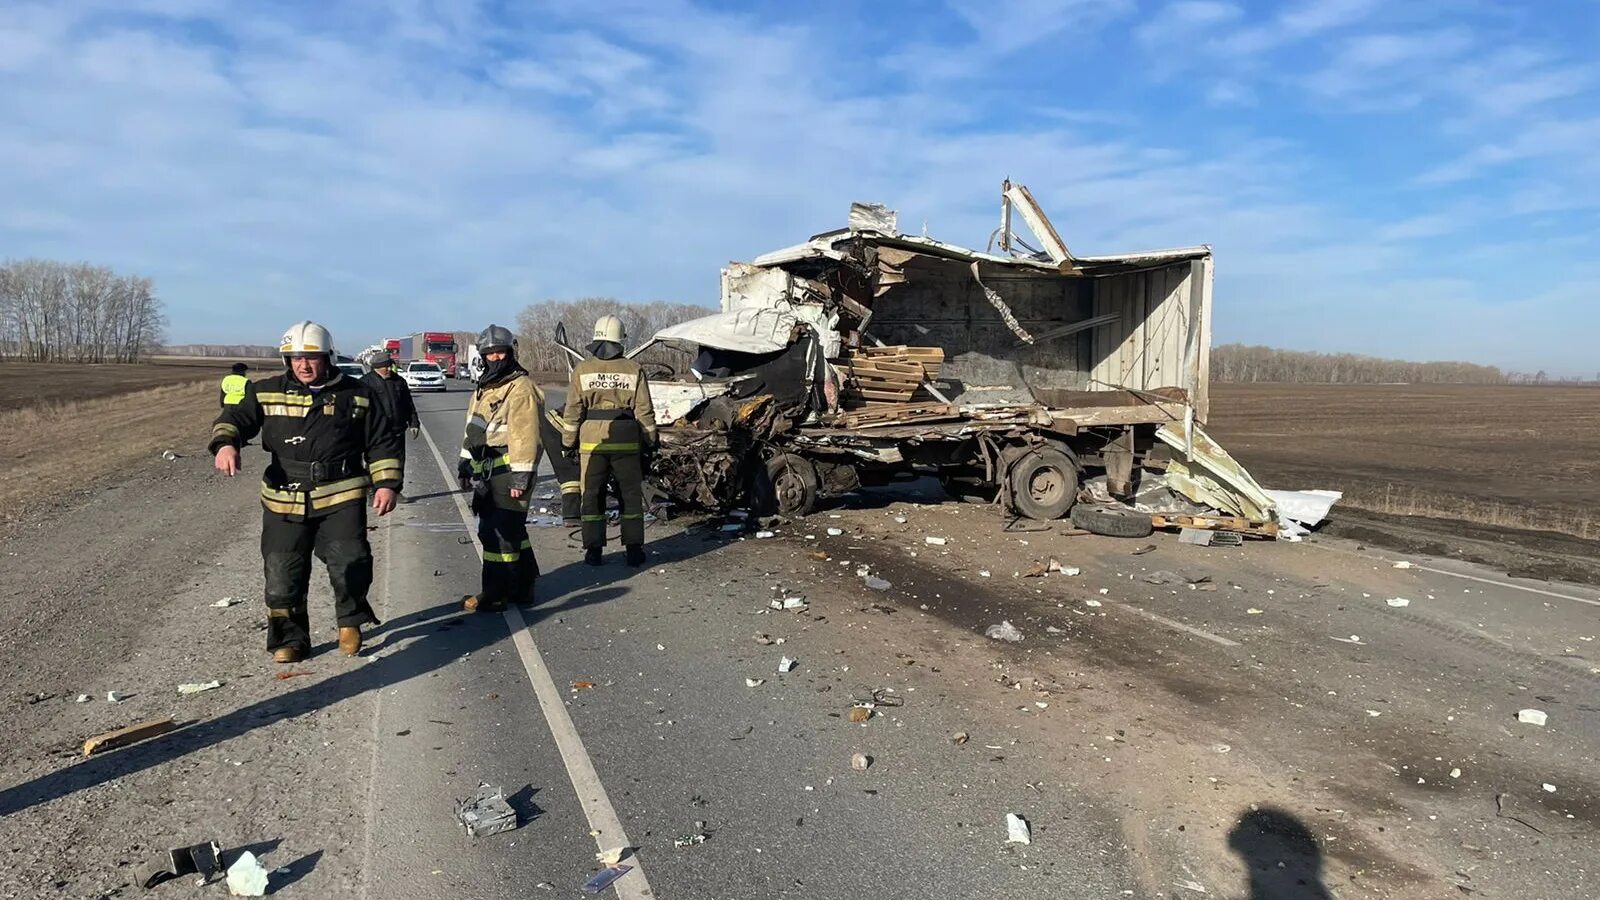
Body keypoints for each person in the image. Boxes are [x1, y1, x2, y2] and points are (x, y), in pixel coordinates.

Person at [209, 321, 402, 663]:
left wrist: (386, 483)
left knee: (350, 562)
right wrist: (226, 444)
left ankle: (350, 621)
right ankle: (290, 640)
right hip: (284, 495)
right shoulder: (264, 391)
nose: (303, 365)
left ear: (327, 357)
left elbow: (382, 441)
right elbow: (233, 419)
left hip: (341, 493)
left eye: (311, 357)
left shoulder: (359, 394)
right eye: (295, 357)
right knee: (283, 571)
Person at [458, 324, 543, 612]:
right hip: (488, 471)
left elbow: (525, 435)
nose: (495, 358)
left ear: (510, 352)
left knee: (497, 534)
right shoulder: (485, 387)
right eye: (490, 353)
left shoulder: (520, 388)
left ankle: (495, 593)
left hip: (509, 473)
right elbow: (475, 429)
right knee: (512, 531)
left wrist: (520, 478)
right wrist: (465, 461)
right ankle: (524, 585)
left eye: (500, 352)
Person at [562, 314, 657, 567]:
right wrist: (650, 440)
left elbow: (573, 411)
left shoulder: (582, 370)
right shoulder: (634, 370)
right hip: (626, 439)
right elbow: (644, 411)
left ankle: (594, 551)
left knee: (592, 495)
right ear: (621, 340)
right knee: (630, 495)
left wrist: (568, 442)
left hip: (592, 442)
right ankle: (634, 549)